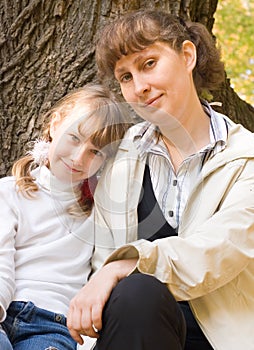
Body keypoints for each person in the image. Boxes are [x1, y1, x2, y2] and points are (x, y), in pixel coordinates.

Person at [67, 9, 254, 350]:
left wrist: (129, 264)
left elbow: (221, 248)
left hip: (222, 341)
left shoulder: (247, 157)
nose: (140, 87)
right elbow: (100, 266)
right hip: (132, 335)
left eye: (149, 63)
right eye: (125, 77)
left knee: (136, 284)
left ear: (187, 55)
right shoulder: (117, 160)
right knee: (137, 295)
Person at [0, 84, 131, 350]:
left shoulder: (100, 210)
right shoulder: (9, 192)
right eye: (74, 138)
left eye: (96, 151)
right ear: (55, 124)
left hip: (54, 325)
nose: (79, 157)